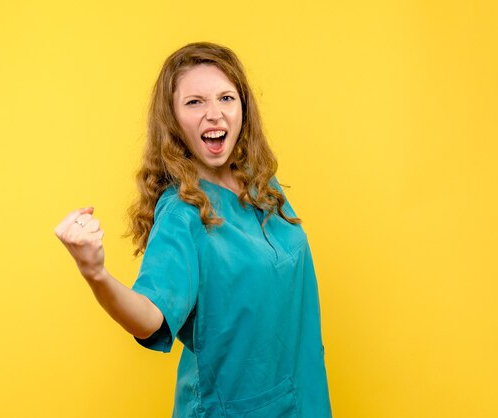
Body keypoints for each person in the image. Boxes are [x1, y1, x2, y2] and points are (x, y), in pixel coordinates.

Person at [55, 42, 332, 417]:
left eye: (226, 98)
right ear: (172, 120)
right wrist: (95, 273)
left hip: (303, 399)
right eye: (194, 102)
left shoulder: (260, 183)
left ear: (243, 109)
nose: (214, 114)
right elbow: (150, 316)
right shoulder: (182, 213)